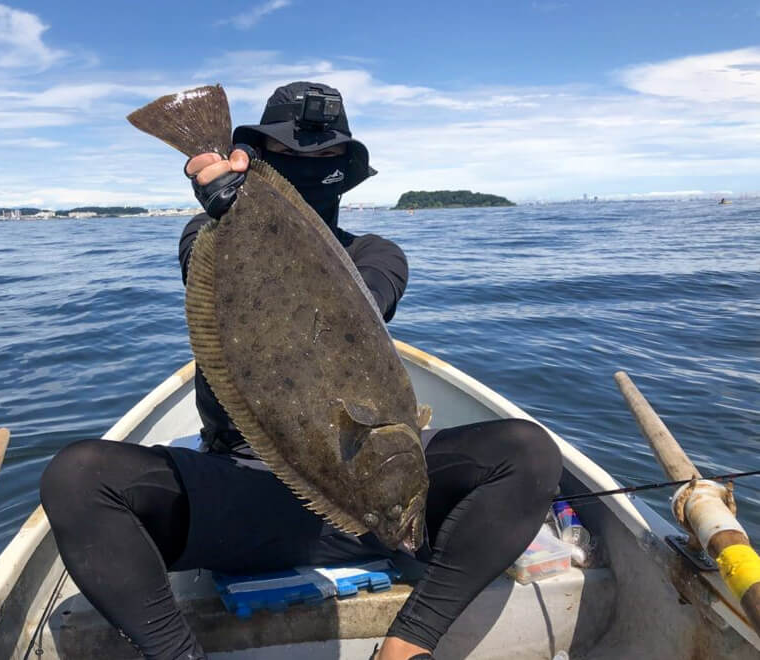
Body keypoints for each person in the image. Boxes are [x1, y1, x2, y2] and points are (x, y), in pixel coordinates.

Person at [40, 82, 562, 660]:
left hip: (374, 504)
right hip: (242, 495)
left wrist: (253, 202)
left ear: (346, 168)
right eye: (289, 156)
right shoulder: (207, 235)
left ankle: (410, 643)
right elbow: (199, 267)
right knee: (78, 476)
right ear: (260, 159)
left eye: (324, 158)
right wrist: (234, 212)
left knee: (528, 451)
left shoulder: (377, 252)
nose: (309, 169)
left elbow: (359, 302)